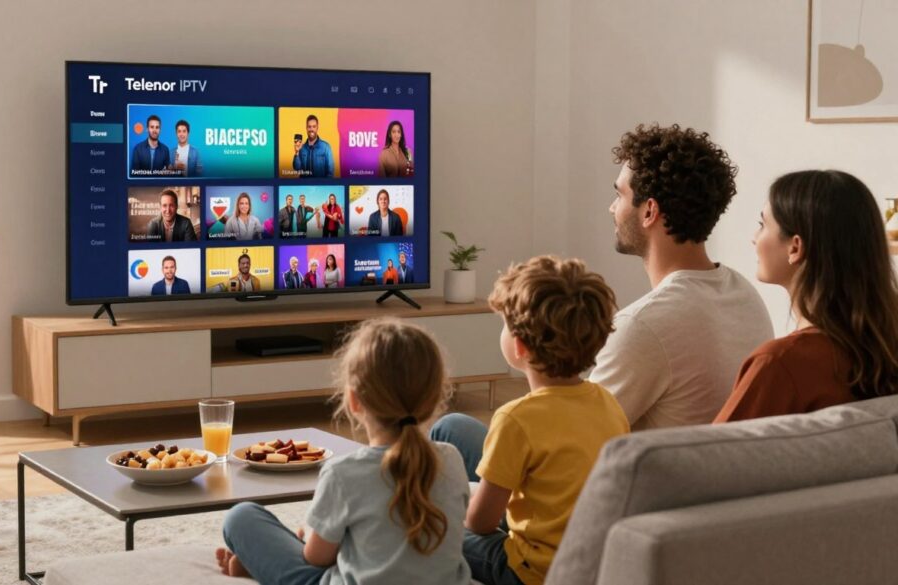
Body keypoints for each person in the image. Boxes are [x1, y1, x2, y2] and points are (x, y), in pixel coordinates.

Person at [216, 318, 471, 585]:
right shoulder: (451, 458)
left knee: (241, 516)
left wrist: (311, 535)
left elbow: (316, 558)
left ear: (353, 400)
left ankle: (261, 566)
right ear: (432, 399)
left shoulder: (343, 474)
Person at [431, 256, 629, 585]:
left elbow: (480, 523)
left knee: (431, 526)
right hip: (588, 560)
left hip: (531, 571)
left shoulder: (516, 419)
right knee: (451, 426)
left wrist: (455, 505)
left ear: (519, 346)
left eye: (505, 324)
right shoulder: (608, 403)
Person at [590, 123, 773, 430]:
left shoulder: (642, 326)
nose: (612, 208)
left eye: (619, 195)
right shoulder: (744, 294)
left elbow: (570, 438)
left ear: (649, 211)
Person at [715, 171, 898, 422]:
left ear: (795, 247)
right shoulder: (885, 347)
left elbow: (709, 456)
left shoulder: (779, 363)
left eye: (762, 225)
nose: (753, 237)